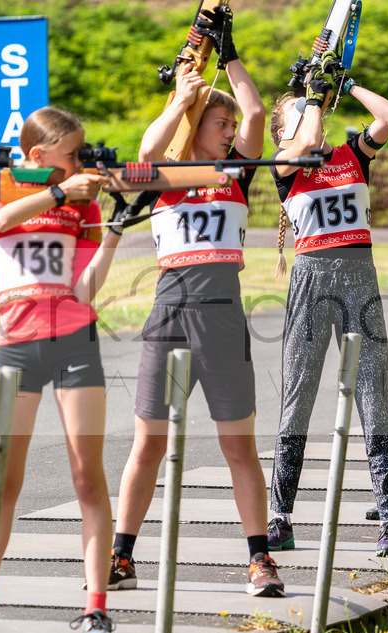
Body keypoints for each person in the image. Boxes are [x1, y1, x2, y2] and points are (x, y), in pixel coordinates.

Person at [110, 6, 285, 598]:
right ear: (196, 124)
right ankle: (122, 555)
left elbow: (258, 110)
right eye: (220, 124)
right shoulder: (164, 172)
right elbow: (142, 154)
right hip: (168, 312)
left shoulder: (236, 172)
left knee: (238, 444)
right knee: (148, 442)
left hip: (222, 314)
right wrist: (178, 101)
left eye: (230, 126)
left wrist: (228, 52)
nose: (231, 130)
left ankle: (261, 560)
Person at [0, 106, 119, 633]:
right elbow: (1, 224)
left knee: (88, 477)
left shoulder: (81, 206)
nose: (80, 164)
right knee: (2, 483)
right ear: (37, 157)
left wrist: (109, 231)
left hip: (76, 343)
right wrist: (63, 194)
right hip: (15, 351)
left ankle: (96, 611)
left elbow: (84, 291)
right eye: (71, 155)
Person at [267, 59, 388, 556]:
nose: (315, 116)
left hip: (359, 278)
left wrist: (347, 85)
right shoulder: (286, 164)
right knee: (299, 392)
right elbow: (304, 141)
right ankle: (280, 516)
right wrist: (310, 100)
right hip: (312, 278)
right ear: (284, 130)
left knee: (373, 389)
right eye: (301, 115)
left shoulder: (351, 154)